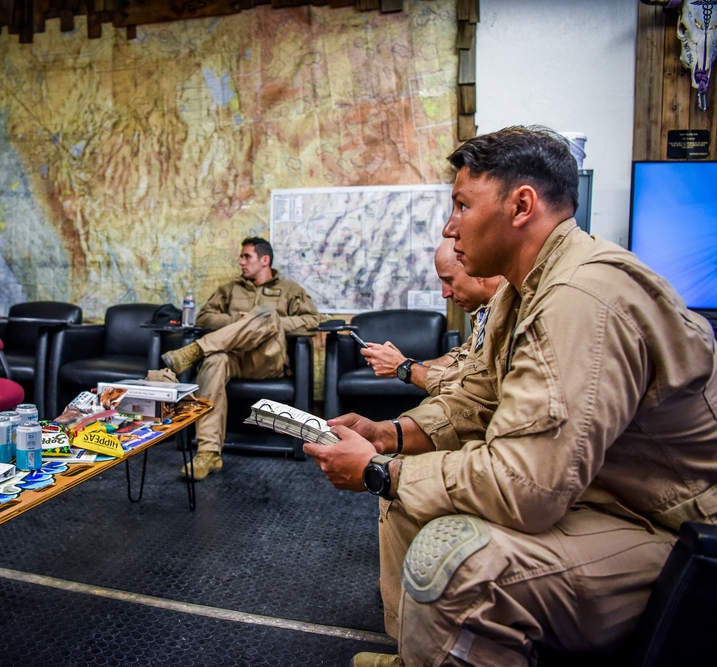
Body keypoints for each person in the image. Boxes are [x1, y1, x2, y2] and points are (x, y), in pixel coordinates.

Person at [304, 126, 717, 666]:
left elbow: (527, 487)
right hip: (602, 495)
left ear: (521, 205)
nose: (451, 227)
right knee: (405, 506)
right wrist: (389, 436)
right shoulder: (522, 289)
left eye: (461, 205)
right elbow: (474, 399)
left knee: (456, 564)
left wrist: (381, 470)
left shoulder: (579, 298)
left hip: (673, 530)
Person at [162, 237, 320, 480]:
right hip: (234, 358)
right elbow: (205, 316)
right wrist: (240, 322)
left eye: (247, 257)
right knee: (214, 361)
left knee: (266, 314)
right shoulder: (230, 289)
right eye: (241, 257)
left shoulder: (290, 290)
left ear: (265, 260)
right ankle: (208, 452)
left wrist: (271, 321)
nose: (241, 262)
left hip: (268, 360)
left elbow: (312, 321)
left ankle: (195, 351)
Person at [360, 238, 501, 395]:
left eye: (449, 280)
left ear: (479, 270)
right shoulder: (488, 311)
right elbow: (458, 360)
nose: (445, 293)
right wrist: (411, 363)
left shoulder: (506, 313)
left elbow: (470, 388)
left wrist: (405, 368)